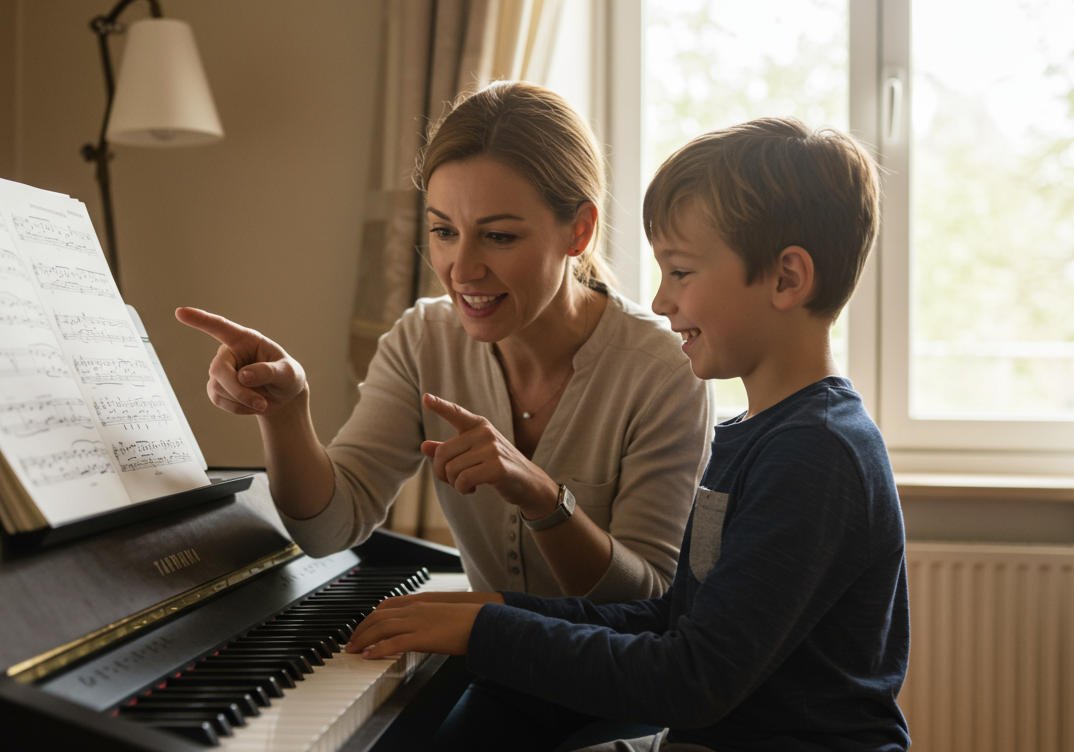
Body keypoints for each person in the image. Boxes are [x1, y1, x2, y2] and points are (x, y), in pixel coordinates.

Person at [344, 117, 911, 752]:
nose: (661, 301)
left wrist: (487, 634)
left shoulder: (819, 455)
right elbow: (668, 622)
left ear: (786, 278)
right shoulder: (754, 435)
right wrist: (491, 608)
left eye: (681, 272)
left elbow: (690, 678)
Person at [176, 81, 712, 606]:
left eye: (499, 236)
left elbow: (648, 603)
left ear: (579, 231)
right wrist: (286, 413)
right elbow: (328, 532)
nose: (462, 269)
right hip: (492, 673)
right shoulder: (422, 340)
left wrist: (544, 500)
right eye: (443, 231)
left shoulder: (662, 370)